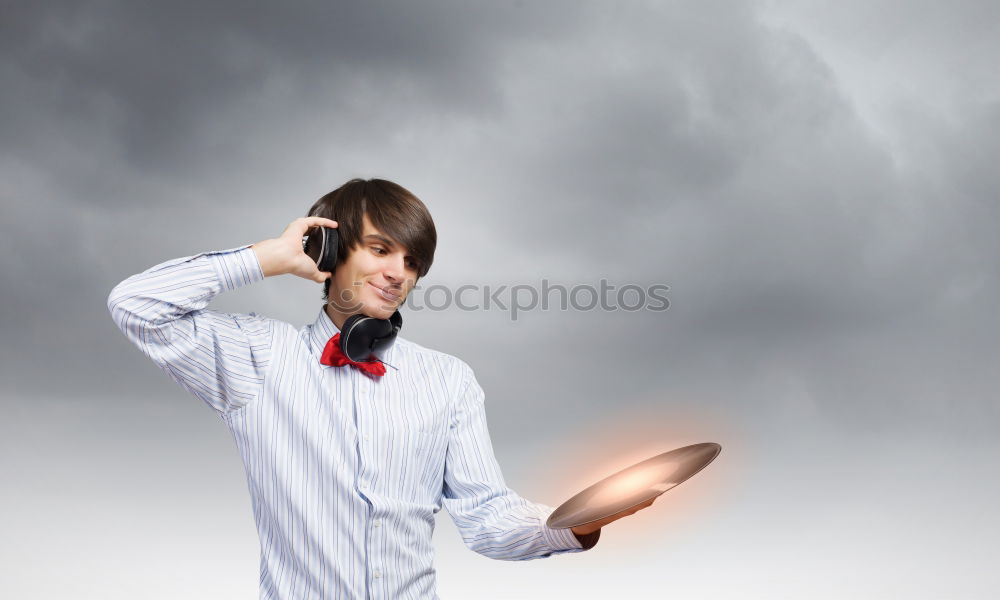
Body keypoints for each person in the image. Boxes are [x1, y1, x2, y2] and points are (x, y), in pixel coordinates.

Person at [107, 178, 652, 599]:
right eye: (379, 249)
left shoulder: (449, 380)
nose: (399, 273)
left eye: (412, 261)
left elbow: (486, 517)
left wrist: (574, 524)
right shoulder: (257, 357)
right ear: (329, 250)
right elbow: (137, 306)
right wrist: (267, 257)